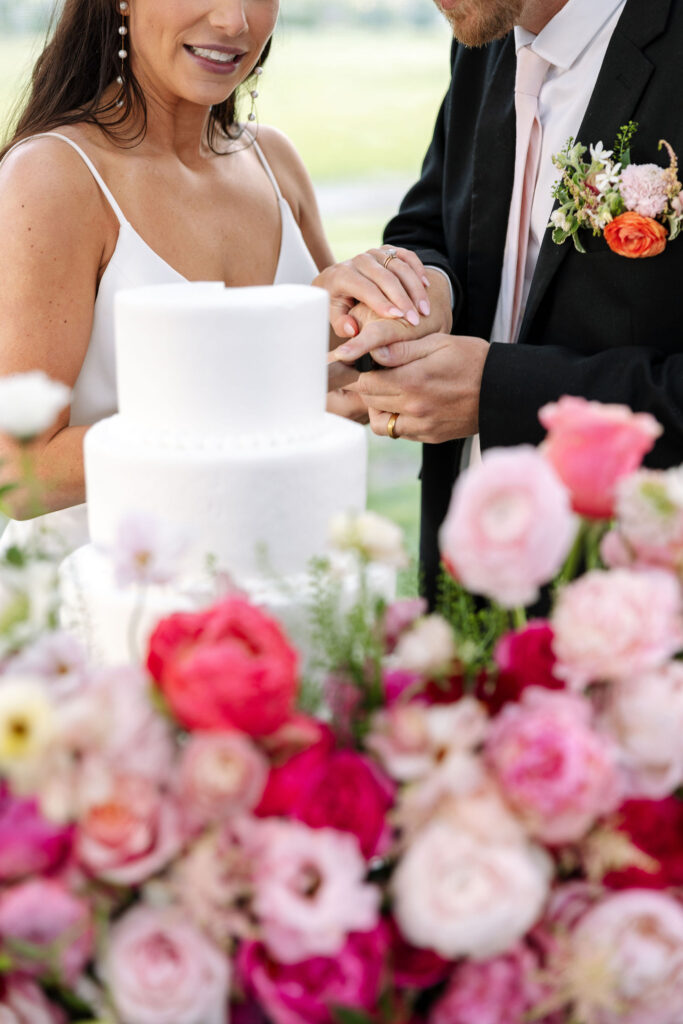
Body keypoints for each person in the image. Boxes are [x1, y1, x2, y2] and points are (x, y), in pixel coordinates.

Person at [0, 0, 430, 553]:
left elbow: (331, 382)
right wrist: (267, 401)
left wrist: (380, 308)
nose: (233, 21)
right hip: (114, 609)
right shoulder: (52, 177)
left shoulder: (273, 160)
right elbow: (20, 471)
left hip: (282, 582)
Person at [331, 0, 683, 604]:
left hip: (635, 604)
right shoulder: (488, 28)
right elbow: (431, 227)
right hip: (459, 575)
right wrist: (417, 292)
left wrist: (498, 393)